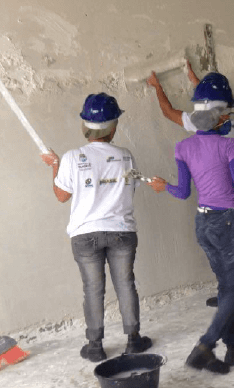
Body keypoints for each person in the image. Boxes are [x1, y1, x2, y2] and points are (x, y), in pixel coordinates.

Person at [147, 63, 234, 300]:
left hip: (216, 199)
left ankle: (227, 293)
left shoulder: (200, 127)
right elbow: (212, 108)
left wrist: (157, 86)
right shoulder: (231, 121)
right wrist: (196, 81)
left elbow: (169, 112)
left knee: (221, 248)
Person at [146, 103, 234, 374]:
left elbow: (183, 192)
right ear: (217, 122)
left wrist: (164, 187)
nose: (227, 120)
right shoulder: (228, 146)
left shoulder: (182, 148)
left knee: (225, 285)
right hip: (227, 221)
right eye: (224, 117)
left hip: (203, 222)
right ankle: (205, 347)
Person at [40, 93, 152, 362]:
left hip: (85, 234)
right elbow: (131, 188)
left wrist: (55, 166)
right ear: (114, 128)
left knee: (93, 288)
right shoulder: (126, 157)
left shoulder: (71, 157)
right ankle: (134, 340)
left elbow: (61, 195)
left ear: (85, 125)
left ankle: (94, 346)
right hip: (122, 231)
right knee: (125, 284)